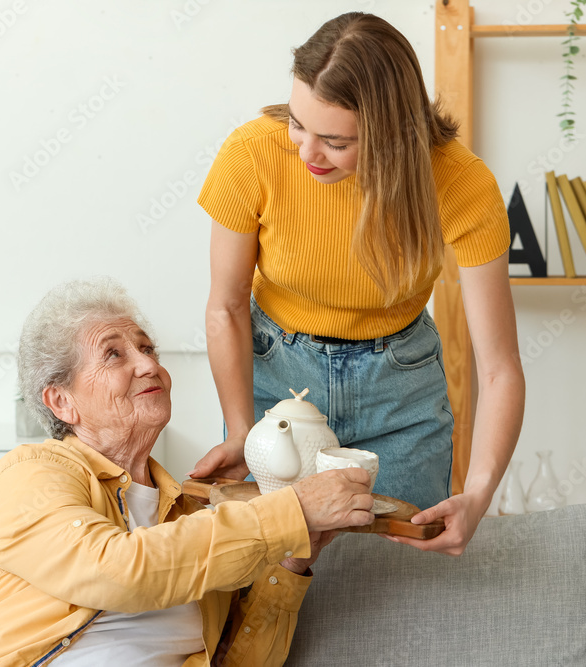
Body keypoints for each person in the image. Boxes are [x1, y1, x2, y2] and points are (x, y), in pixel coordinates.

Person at [188, 12, 525, 556]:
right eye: (298, 123)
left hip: (401, 398)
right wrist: (239, 430)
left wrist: (480, 492)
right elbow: (225, 307)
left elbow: (500, 367)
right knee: (276, 577)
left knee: (391, 591)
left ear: (393, 135)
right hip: (280, 390)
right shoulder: (252, 153)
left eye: (334, 141)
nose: (306, 153)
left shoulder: (462, 184)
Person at [0, 278, 374, 667]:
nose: (148, 365)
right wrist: (289, 511)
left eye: (146, 348)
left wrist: (292, 559)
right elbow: (117, 571)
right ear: (62, 401)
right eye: (114, 354)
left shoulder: (189, 519)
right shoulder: (30, 474)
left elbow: (239, 661)